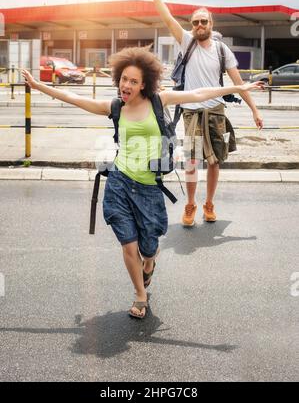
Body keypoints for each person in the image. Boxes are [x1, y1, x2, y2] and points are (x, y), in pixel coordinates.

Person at [22, 48, 264, 319]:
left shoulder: (160, 101)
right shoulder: (114, 107)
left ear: (144, 84)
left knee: (149, 247)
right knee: (128, 244)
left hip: (149, 188)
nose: (127, 85)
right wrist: (38, 85)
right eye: (124, 79)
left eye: (133, 81)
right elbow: (73, 98)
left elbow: (198, 94)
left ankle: (149, 265)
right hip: (119, 184)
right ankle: (140, 294)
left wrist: (240, 86)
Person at [145, 0, 264, 227]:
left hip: (216, 112)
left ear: (211, 25)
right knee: (191, 160)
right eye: (195, 22)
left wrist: (255, 110)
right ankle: (190, 205)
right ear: (192, 25)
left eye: (204, 22)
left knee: (214, 161)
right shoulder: (186, 41)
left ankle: (209, 204)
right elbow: (166, 18)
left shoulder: (222, 51)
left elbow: (238, 83)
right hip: (191, 112)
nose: (199, 26)